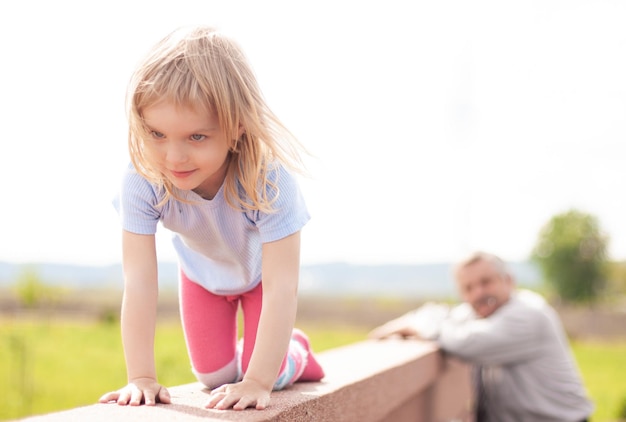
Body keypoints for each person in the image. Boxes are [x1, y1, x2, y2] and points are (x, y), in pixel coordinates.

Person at [98, 25, 324, 411]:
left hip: (259, 281)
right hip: (201, 276)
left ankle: (295, 350)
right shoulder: (142, 180)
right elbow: (138, 282)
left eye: (196, 137)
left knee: (265, 373)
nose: (173, 157)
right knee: (214, 377)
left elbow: (282, 287)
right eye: (156, 133)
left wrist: (256, 381)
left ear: (237, 126)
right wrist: (141, 378)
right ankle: (252, 357)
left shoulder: (268, 180)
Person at [369, 251, 593, 422]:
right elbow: (438, 315)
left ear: (508, 281)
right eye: (468, 288)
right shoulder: (479, 314)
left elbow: (466, 343)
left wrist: (417, 326)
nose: (478, 293)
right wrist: (403, 324)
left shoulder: (527, 313)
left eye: (486, 282)